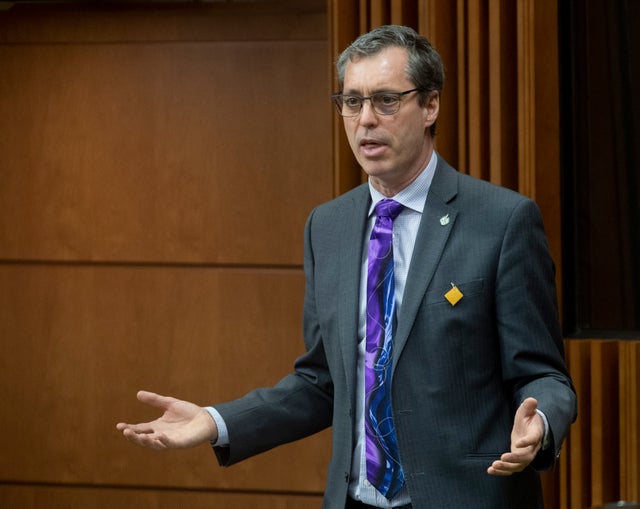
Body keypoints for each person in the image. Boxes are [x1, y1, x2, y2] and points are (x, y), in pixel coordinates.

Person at [117, 25, 576, 509]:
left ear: (431, 106)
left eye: (386, 100)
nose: (365, 120)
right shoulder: (327, 226)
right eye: (351, 102)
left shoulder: (502, 221)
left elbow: (543, 374)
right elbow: (321, 383)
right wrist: (216, 421)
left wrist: (541, 421)